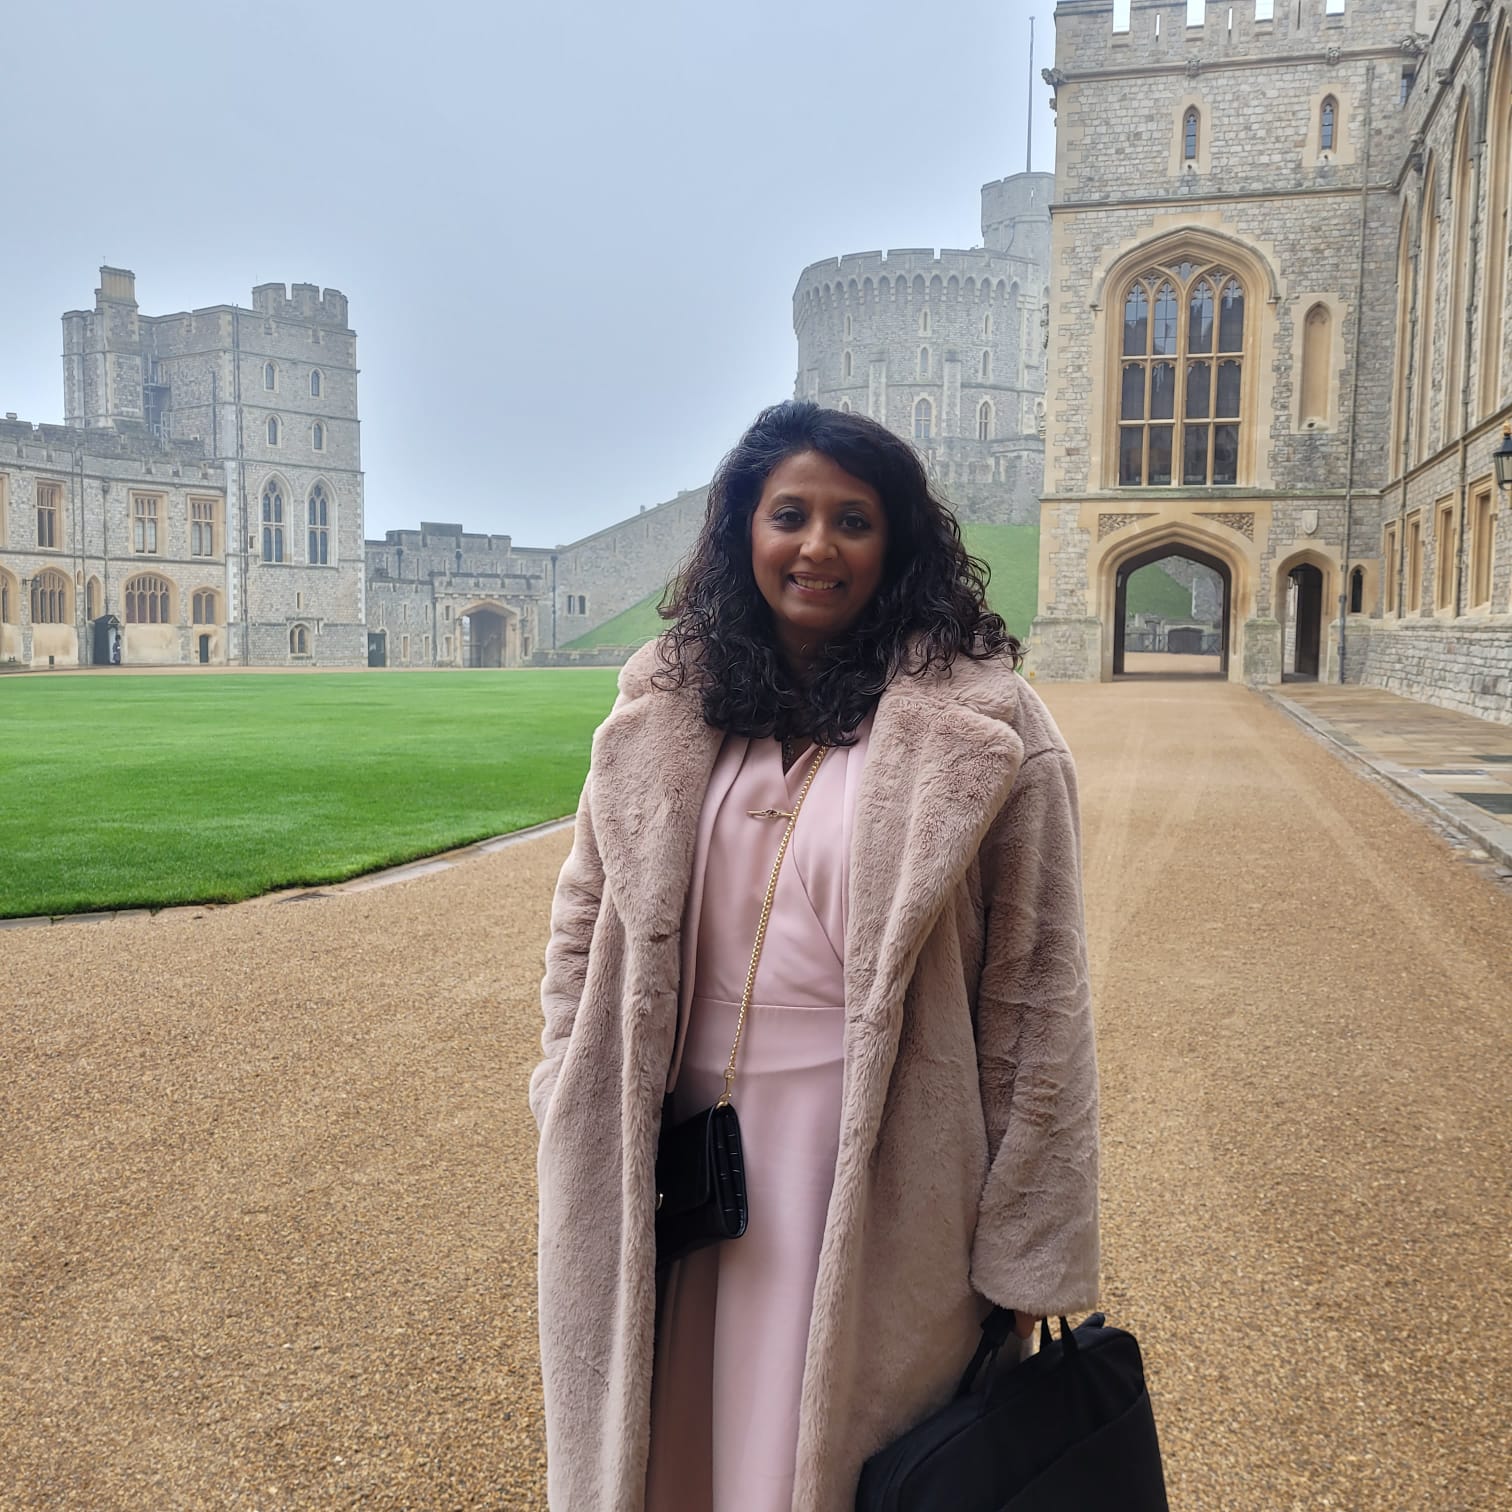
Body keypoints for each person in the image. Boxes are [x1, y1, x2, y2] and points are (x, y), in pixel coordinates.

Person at [531, 400, 1099, 1512]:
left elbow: (1040, 996)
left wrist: (1026, 1246)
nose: (817, 545)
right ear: (746, 529)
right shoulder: (668, 709)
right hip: (672, 1165)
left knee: (837, 1468)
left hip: (880, 1166)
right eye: (789, 514)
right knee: (664, 1457)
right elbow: (582, 917)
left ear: (899, 548)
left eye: (854, 519)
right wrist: (565, 1082)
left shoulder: (988, 726)